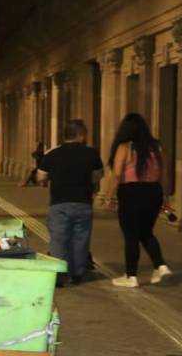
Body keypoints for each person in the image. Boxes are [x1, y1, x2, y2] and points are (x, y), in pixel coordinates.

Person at [107, 113, 171, 288]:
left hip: (132, 192)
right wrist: (165, 197)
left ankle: (131, 275)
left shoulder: (125, 147)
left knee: (131, 235)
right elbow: (163, 175)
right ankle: (161, 265)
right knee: (145, 232)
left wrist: (109, 195)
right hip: (154, 191)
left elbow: (118, 174)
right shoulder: (156, 147)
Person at [36, 120, 102, 285]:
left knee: (59, 238)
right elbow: (97, 175)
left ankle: (59, 274)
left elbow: (41, 177)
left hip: (59, 203)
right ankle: (77, 273)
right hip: (83, 202)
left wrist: (50, 180)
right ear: (80, 135)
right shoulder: (91, 153)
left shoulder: (52, 153)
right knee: (80, 238)